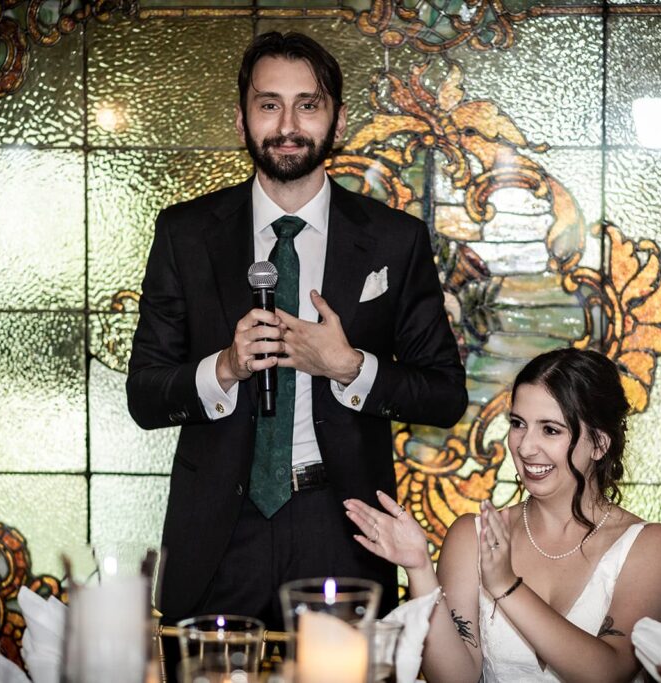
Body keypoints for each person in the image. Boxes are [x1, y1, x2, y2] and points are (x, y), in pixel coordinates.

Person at [126, 30, 467, 632]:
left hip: (342, 527)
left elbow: (443, 395)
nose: (288, 124)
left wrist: (350, 368)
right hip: (216, 535)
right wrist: (223, 368)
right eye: (269, 104)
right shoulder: (185, 233)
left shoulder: (394, 239)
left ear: (335, 121)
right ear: (242, 120)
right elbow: (144, 395)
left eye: (308, 104)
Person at [345, 347, 661, 682]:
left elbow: (609, 673)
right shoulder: (471, 537)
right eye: (518, 424)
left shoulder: (648, 544)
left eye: (550, 429)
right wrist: (419, 569)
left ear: (598, 443)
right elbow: (453, 679)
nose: (524, 446)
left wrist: (506, 585)